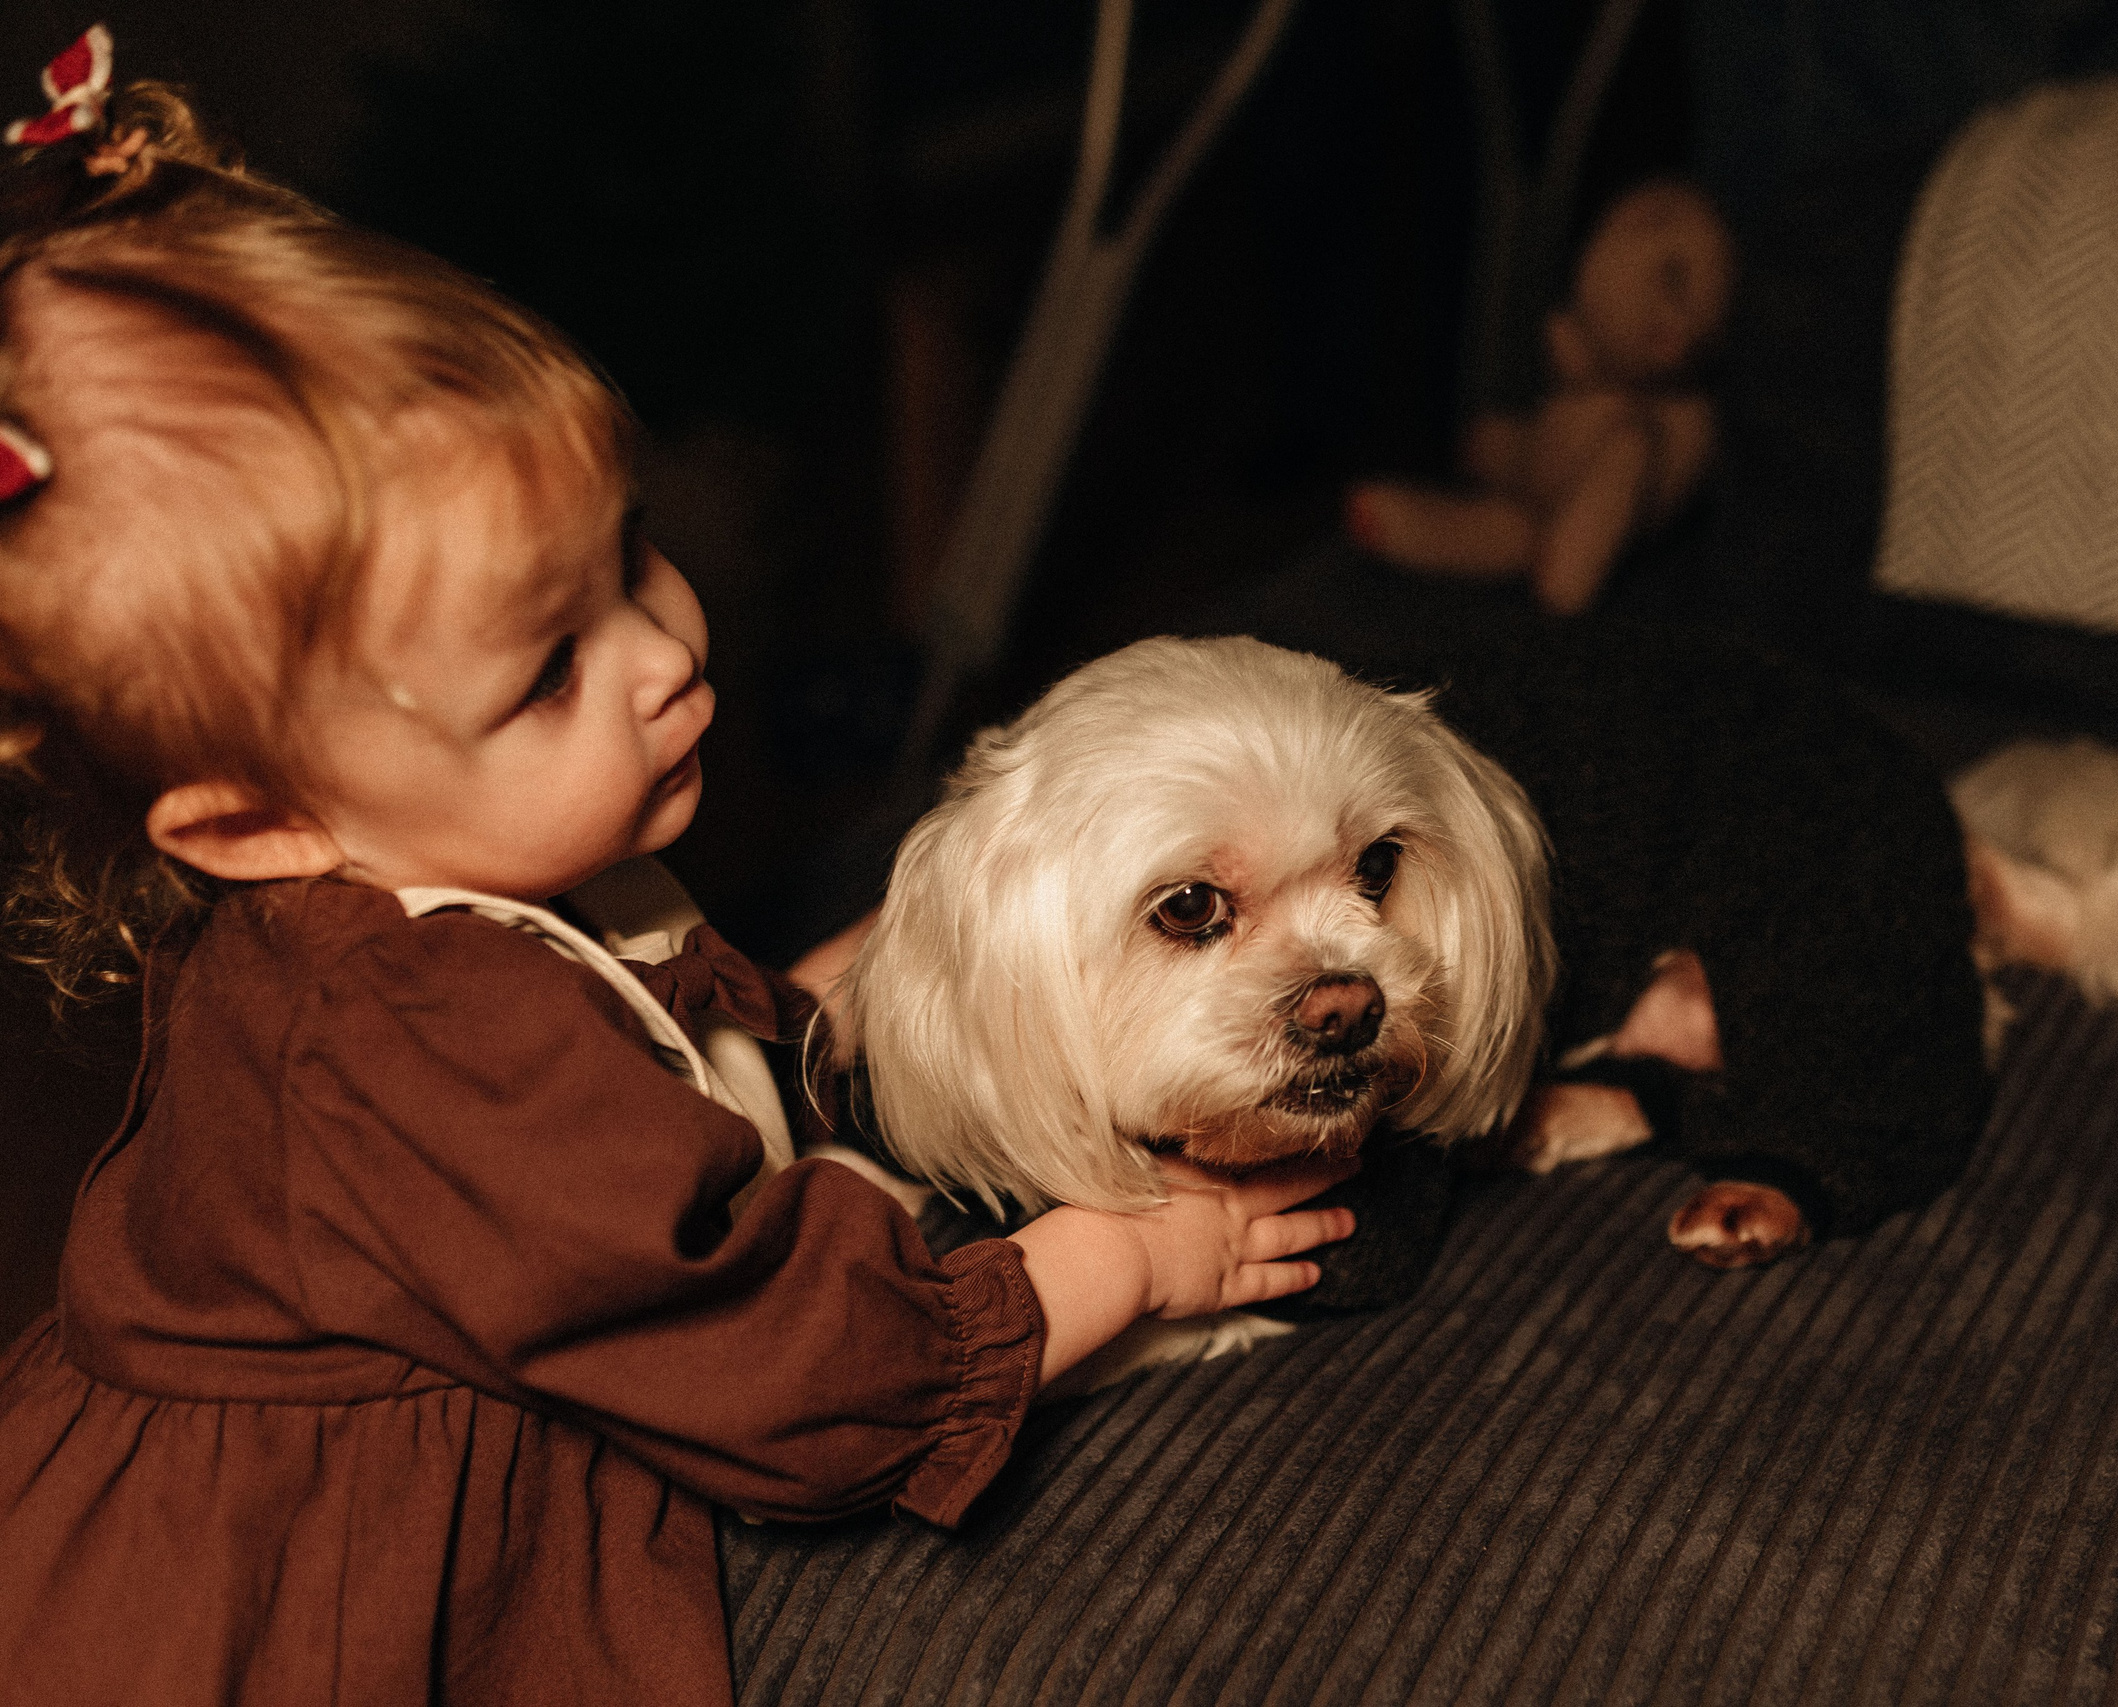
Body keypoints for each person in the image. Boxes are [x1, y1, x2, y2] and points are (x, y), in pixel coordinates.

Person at [0, 37, 1353, 1707]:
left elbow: (644, 1059)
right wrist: (1120, 1264)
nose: (660, 653)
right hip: (297, 1601)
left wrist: (849, 984)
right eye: (547, 672)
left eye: (630, 554)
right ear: (261, 825)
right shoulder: (413, 1035)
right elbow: (787, 1368)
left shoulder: (462, 870)